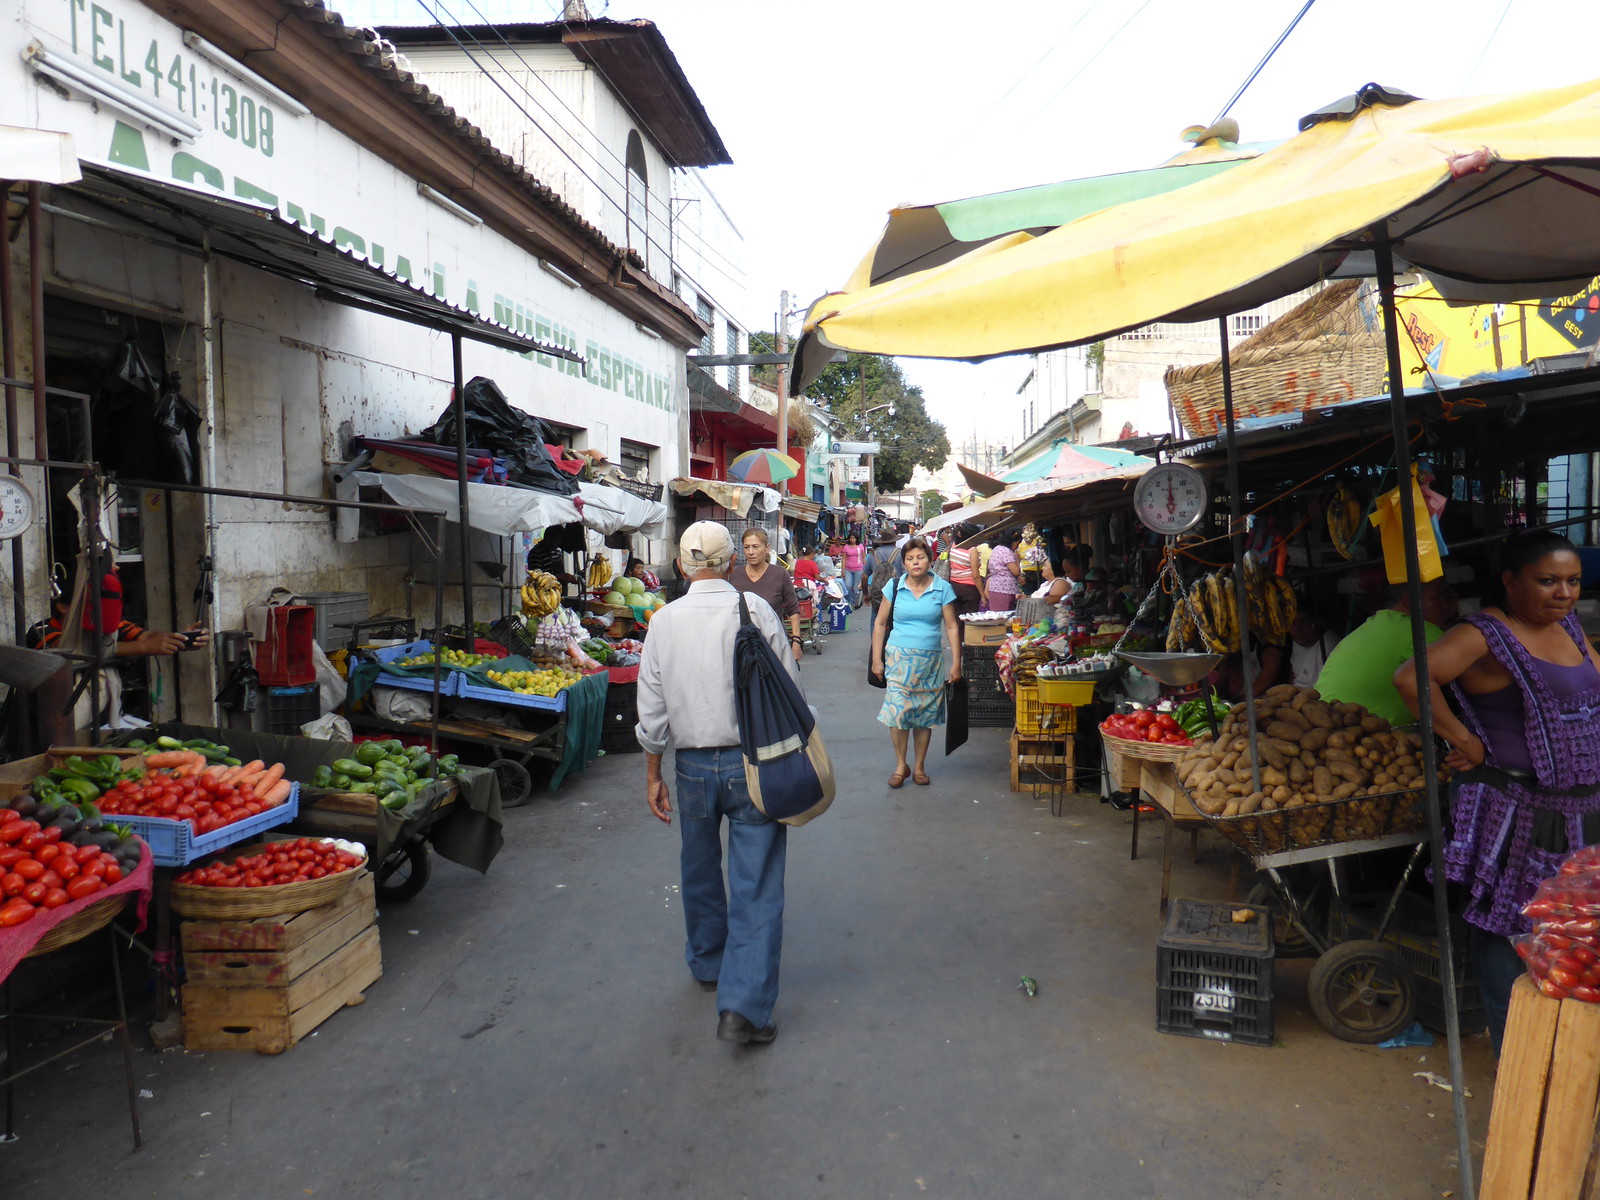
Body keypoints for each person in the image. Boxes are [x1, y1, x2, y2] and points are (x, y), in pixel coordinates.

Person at [1394, 532, 1600, 1055]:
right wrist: (1466, 740)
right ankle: (1517, 1054)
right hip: (1520, 813)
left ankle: (1565, 1046)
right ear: (1511, 581)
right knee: (1509, 927)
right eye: (1548, 580)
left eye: (1573, 581)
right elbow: (1411, 679)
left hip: (1581, 811)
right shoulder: (1485, 633)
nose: (1564, 593)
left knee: (1572, 928)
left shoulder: (1570, 628)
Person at [636, 522, 802, 1046]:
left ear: (683, 567)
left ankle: (709, 964)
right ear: (732, 563)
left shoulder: (663, 622)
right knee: (755, 883)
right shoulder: (756, 611)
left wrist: (651, 774)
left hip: (690, 768)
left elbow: (653, 709)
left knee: (700, 868)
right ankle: (744, 1008)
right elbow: (789, 688)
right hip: (753, 762)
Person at [870, 537, 961, 788]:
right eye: (910, 559)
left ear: (929, 560)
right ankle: (901, 764)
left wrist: (956, 663)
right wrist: (876, 660)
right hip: (898, 659)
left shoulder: (942, 588)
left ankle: (919, 766)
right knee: (897, 713)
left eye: (920, 557)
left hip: (930, 660)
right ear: (904, 563)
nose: (915, 562)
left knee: (923, 715)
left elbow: (952, 626)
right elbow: (879, 623)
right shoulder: (894, 585)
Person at [1315, 576, 1457, 727]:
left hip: (1324, 727)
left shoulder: (1377, 624)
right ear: (1411, 600)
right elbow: (1472, 673)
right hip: (1366, 741)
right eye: (1439, 597)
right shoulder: (1419, 630)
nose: (1447, 605)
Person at [731, 528, 803, 662]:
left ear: (767, 548)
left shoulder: (780, 574)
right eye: (747, 547)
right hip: (742, 646)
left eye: (756, 547)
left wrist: (796, 642)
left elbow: (793, 610)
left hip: (774, 643)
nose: (751, 552)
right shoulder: (734, 575)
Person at [1287, 604, 1341, 688]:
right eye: (1293, 623)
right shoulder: (1299, 640)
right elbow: (1294, 672)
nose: (1298, 629)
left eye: (1304, 623)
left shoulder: (1329, 647)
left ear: (1318, 623)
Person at [984, 532, 1023, 613]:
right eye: (1017, 543)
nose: (1017, 546)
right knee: (1002, 615)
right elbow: (1016, 571)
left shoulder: (997, 549)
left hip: (997, 587)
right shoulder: (1006, 551)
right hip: (1003, 589)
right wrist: (1017, 559)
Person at [947, 536, 982, 615]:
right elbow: (975, 575)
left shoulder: (953, 546)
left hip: (954, 586)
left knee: (956, 616)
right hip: (969, 588)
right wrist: (982, 595)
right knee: (970, 618)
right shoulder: (972, 550)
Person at [840, 533, 866, 609]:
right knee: (848, 585)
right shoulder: (846, 547)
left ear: (856, 539)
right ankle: (849, 601)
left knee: (855, 588)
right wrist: (843, 570)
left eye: (854, 538)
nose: (852, 540)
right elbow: (844, 559)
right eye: (851, 538)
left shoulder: (860, 546)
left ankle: (854, 601)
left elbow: (863, 557)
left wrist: (866, 569)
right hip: (848, 569)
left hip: (859, 569)